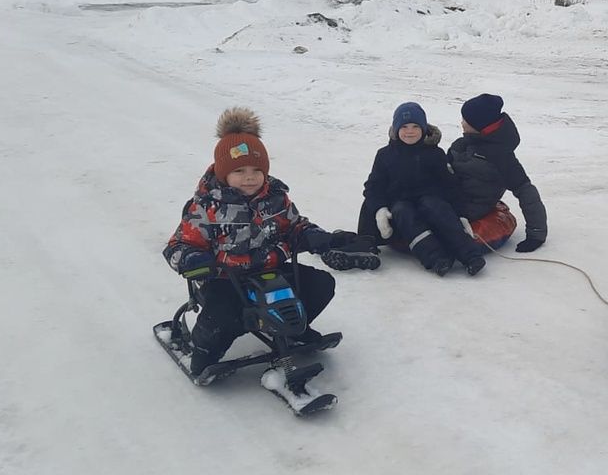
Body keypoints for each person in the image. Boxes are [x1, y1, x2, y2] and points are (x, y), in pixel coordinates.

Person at [162, 107, 376, 376]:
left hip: (268, 271)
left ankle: (292, 329)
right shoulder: (206, 207)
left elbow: (295, 226)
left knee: (320, 284)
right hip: (223, 277)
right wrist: (195, 260)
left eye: (256, 170)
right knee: (225, 315)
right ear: (222, 172)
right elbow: (178, 246)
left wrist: (320, 238)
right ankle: (204, 351)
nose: (249, 177)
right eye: (239, 170)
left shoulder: (275, 198)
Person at [358, 102, 486, 276]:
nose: (409, 131)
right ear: (396, 129)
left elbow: (450, 185)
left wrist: (461, 214)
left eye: (415, 126)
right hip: (400, 203)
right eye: (404, 127)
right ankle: (436, 259)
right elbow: (373, 186)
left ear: (424, 129)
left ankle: (471, 256)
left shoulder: (434, 154)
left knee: (435, 207)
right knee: (403, 212)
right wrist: (380, 209)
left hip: (430, 200)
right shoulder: (385, 155)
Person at [447, 93, 548, 252]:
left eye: (466, 120)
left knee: (429, 211)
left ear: (479, 125)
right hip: (451, 196)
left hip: (471, 207)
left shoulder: (501, 157)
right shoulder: (463, 143)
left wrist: (536, 234)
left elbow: (526, 191)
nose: (461, 122)